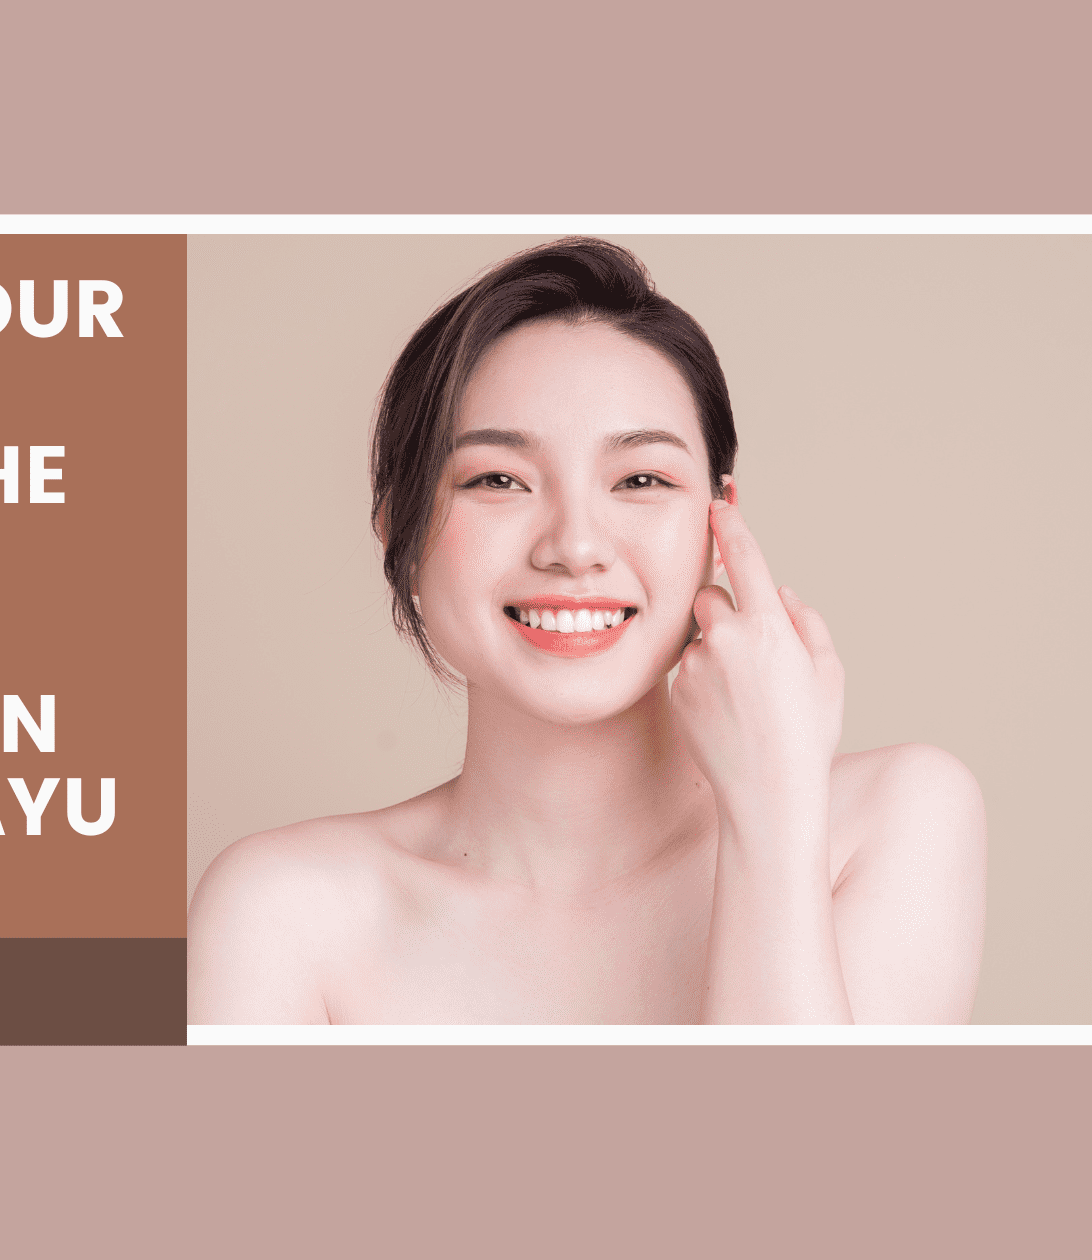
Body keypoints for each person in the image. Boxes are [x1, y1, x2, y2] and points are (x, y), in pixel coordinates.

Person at [188, 238, 986, 1024]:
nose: (574, 548)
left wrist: (773, 820)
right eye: (497, 479)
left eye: (641, 480)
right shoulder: (281, 915)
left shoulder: (889, 819)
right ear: (399, 528)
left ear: (720, 523)